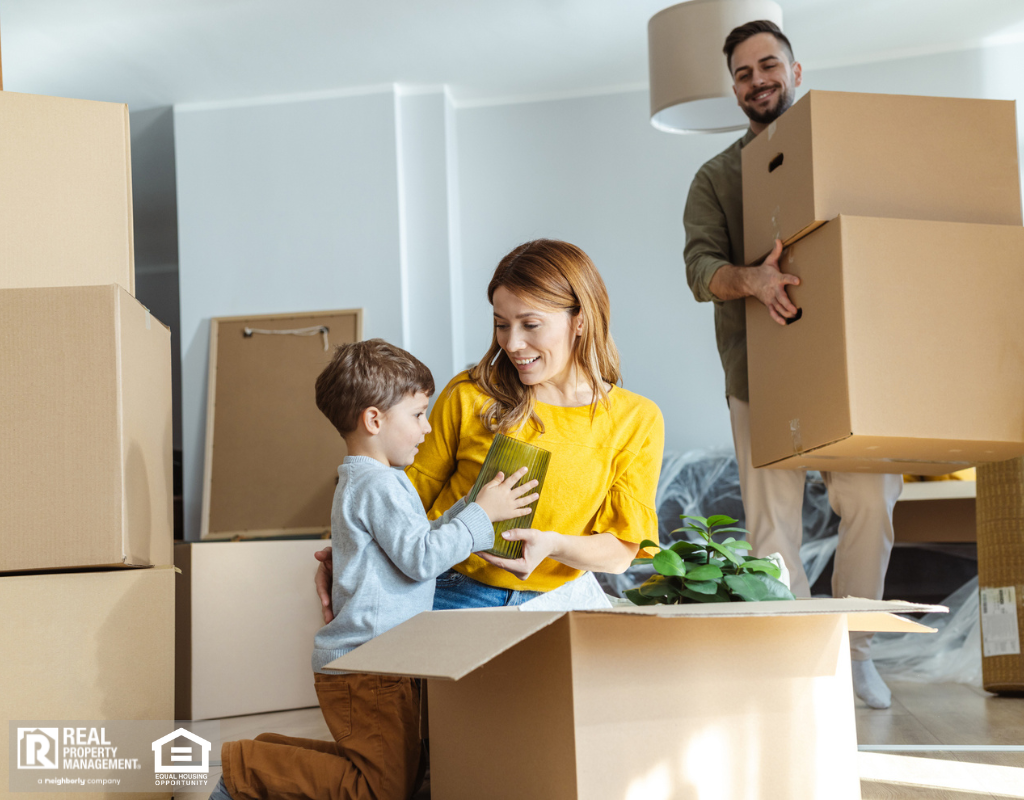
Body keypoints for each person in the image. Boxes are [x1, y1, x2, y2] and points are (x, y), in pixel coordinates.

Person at [210, 338, 539, 800]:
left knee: (391, 777)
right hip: (368, 665)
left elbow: (418, 540)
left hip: (383, 662)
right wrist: (481, 516)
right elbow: (422, 558)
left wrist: (474, 503)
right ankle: (247, 767)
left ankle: (261, 757)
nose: (427, 428)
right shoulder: (376, 485)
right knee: (380, 790)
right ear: (374, 419)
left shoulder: (383, 480)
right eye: (419, 414)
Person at [683, 20, 902, 709]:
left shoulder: (843, 145)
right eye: (743, 73)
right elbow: (700, 269)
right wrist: (753, 281)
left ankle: (856, 649)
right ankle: (801, 663)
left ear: (796, 71)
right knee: (772, 525)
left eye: (768, 65)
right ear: (734, 88)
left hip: (848, 368)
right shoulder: (716, 177)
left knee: (872, 499)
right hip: (758, 373)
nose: (757, 81)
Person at [316, 238, 665, 615]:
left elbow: (621, 553)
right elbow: (399, 506)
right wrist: (351, 556)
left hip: (555, 605)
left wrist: (553, 544)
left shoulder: (637, 420)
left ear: (579, 320)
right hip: (448, 589)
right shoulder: (469, 395)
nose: (513, 343)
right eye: (501, 324)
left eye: (530, 324)